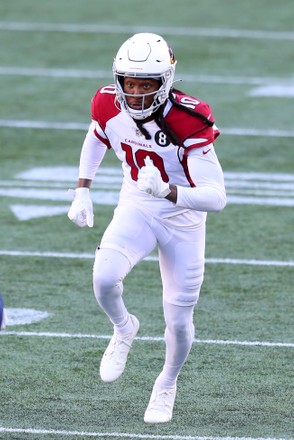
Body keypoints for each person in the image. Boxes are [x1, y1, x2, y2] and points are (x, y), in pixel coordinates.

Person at [68, 33, 226, 423]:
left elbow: (216, 197)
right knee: (104, 278)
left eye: (146, 84)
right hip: (137, 203)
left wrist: (171, 191)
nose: (135, 92)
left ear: (165, 81)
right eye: (130, 83)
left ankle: (166, 384)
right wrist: (82, 190)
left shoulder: (188, 118)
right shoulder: (107, 101)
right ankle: (124, 328)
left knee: (178, 319)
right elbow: (96, 136)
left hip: (183, 219)